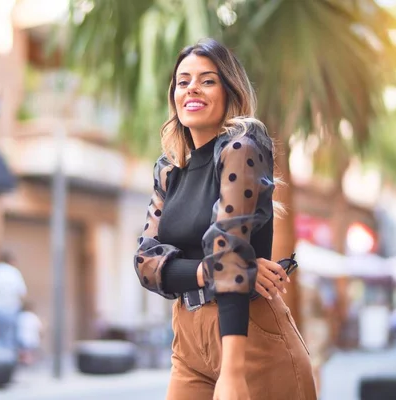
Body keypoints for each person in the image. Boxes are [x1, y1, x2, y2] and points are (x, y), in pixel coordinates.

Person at [134, 38, 316, 400]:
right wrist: (208, 271)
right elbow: (145, 263)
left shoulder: (242, 147)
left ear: (229, 89)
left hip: (248, 338)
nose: (192, 89)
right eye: (183, 81)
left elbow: (229, 251)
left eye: (207, 80)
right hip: (187, 338)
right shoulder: (169, 170)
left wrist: (233, 373)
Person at [0, 252, 27, 350]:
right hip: (11, 309)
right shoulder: (14, 272)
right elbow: (22, 293)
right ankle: (7, 360)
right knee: (9, 338)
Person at [16, 301, 44, 366]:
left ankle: (25, 360)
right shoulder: (33, 316)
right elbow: (40, 328)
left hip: (21, 338)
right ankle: (28, 361)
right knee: (29, 351)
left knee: (24, 351)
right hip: (32, 338)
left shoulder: (20, 316)